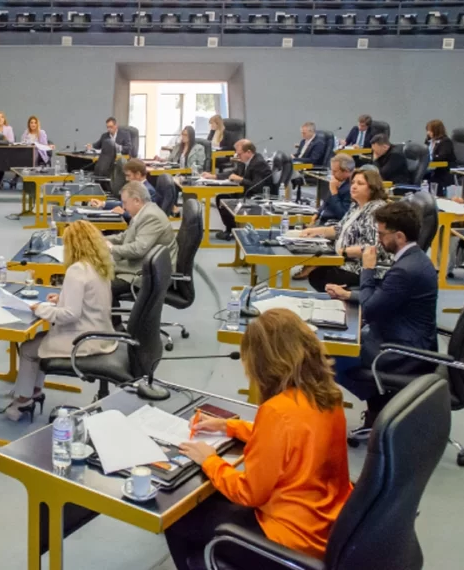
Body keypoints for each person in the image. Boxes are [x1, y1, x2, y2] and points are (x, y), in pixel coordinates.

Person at [166, 309, 352, 568]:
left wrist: (210, 460)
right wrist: (229, 426)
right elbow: (292, 437)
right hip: (325, 523)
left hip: (287, 537)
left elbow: (249, 493)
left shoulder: (276, 411)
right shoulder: (327, 394)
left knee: (177, 518)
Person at [326, 202, 438, 432]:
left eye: (381, 234)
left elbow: (370, 309)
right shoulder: (415, 259)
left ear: (399, 236)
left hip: (400, 351)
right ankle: (378, 405)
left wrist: (367, 268)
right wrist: (348, 294)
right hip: (403, 337)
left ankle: (378, 405)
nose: (378, 240)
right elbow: (385, 297)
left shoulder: (405, 270)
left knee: (325, 352)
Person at [4, 220, 117, 421]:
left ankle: (23, 400)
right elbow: (90, 298)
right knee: (39, 341)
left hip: (83, 340)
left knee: (29, 348)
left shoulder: (77, 270)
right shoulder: (99, 263)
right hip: (103, 333)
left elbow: (70, 315)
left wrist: (40, 309)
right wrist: (62, 298)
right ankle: (34, 391)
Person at [300, 166, 391, 292]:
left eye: (360, 184)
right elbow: (339, 229)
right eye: (353, 183)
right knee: (318, 273)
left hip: (365, 268)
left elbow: (374, 248)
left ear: (372, 188)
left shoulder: (376, 210)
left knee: (320, 275)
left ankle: (345, 298)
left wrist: (344, 252)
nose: (353, 186)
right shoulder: (356, 206)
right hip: (346, 260)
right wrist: (315, 231)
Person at [108, 180, 176, 302]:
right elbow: (124, 237)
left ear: (137, 201)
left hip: (146, 274)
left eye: (125, 203)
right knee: (98, 274)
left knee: (98, 284)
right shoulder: (143, 212)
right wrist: (98, 239)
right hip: (142, 266)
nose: (123, 207)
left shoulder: (151, 217)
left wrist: (111, 249)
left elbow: (138, 249)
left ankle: (110, 313)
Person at [212, 139, 273, 240]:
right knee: (221, 198)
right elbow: (233, 173)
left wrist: (240, 179)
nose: (238, 156)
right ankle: (231, 229)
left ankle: (233, 230)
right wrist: (215, 176)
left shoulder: (259, 163)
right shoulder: (244, 161)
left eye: (239, 154)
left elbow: (257, 186)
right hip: (245, 193)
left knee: (225, 199)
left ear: (248, 152)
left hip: (256, 196)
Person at [89, 158, 158, 212]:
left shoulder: (148, 191)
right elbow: (123, 204)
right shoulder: (136, 187)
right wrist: (102, 203)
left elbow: (143, 215)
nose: (126, 179)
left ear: (138, 174)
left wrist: (123, 213)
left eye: (128, 175)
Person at [318, 154, 354, 224]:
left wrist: (334, 192)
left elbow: (342, 214)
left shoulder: (351, 188)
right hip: (322, 219)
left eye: (335, 171)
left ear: (346, 171)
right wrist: (318, 213)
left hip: (333, 223)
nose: (332, 174)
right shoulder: (338, 181)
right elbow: (327, 201)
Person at [424, 119, 455, 191]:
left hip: (442, 169)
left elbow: (441, 157)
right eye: (427, 130)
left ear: (436, 130)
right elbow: (424, 152)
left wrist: (430, 158)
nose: (428, 133)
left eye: (430, 130)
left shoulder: (445, 141)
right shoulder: (428, 141)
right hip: (430, 167)